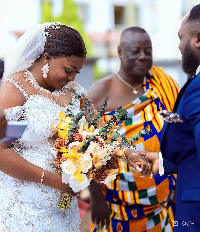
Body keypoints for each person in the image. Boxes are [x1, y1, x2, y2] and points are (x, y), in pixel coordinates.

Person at [88, 27, 179, 232]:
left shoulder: (161, 84)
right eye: (135, 51)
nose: (143, 57)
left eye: (148, 51)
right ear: (120, 51)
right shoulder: (102, 90)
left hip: (160, 207)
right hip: (115, 208)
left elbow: (180, 136)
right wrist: (96, 198)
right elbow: (85, 149)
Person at [0, 22, 89, 231]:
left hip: (65, 208)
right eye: (68, 70)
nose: (72, 77)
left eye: (76, 71)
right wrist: (53, 180)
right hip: (26, 209)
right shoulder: (19, 91)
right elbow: (2, 150)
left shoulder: (73, 92)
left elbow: (100, 131)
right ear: (47, 58)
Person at [125, 4, 200, 231]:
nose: (179, 46)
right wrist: (161, 163)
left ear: (198, 38)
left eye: (181, 38)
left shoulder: (197, 89)